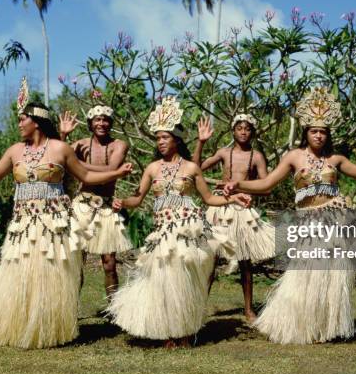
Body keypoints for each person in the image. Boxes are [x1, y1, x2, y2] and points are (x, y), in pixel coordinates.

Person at [224, 87, 356, 344]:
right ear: (306, 133)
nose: (318, 135)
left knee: (329, 276)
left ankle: (324, 328)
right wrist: (238, 185)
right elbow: (267, 183)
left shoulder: (336, 159)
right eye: (313, 131)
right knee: (304, 275)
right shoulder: (294, 157)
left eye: (323, 132)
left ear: (328, 135)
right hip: (307, 223)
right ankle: (298, 326)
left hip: (332, 223)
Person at [0, 79, 132, 349]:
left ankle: (48, 328)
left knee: (51, 273)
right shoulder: (15, 151)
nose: (19, 124)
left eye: (23, 119)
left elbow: (87, 174)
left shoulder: (60, 149)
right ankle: (17, 326)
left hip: (53, 223)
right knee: (19, 274)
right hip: (23, 225)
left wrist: (116, 173)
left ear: (36, 121)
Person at [106, 97, 250, 348]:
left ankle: (184, 331)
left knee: (184, 280)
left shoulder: (192, 168)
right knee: (164, 280)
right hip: (163, 232)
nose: (160, 142)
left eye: (165, 137)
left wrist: (232, 198)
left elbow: (208, 198)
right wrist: (122, 202)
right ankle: (167, 331)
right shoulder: (152, 168)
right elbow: (138, 198)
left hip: (187, 230)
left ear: (177, 139)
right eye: (158, 138)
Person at [193, 114, 274, 323]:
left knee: (245, 260)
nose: (243, 132)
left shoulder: (256, 157)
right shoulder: (223, 152)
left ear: (253, 132)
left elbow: (266, 187)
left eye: (247, 128)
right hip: (220, 208)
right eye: (239, 128)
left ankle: (248, 309)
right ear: (233, 131)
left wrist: (248, 190)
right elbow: (195, 168)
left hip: (243, 211)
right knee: (212, 258)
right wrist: (201, 143)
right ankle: (200, 304)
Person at [59, 106, 131, 297]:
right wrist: (64, 135)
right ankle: (71, 308)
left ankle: (113, 310)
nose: (101, 123)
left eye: (105, 119)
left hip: (106, 206)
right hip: (82, 205)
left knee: (109, 263)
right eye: (97, 120)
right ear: (90, 123)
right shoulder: (80, 144)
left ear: (111, 123)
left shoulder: (119, 145)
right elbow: (58, 158)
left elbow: (111, 170)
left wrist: (74, 162)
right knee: (76, 262)